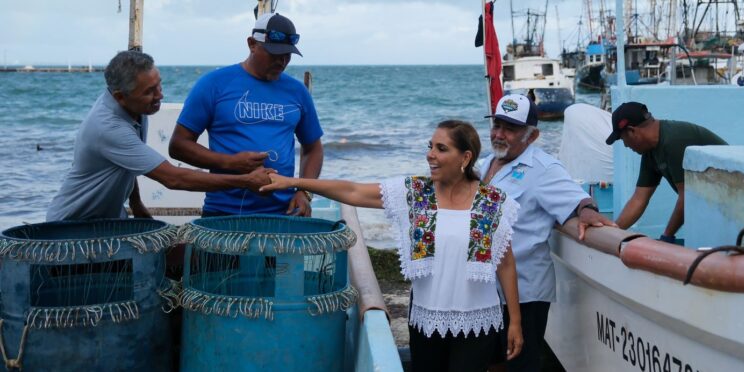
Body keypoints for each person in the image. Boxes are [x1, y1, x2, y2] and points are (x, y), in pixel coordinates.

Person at [260, 120, 523, 372]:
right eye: (430, 146)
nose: (430, 155)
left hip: (477, 321)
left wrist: (515, 322)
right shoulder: (416, 193)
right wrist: (294, 182)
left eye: (441, 149)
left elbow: (506, 263)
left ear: (465, 158)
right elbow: (353, 191)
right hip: (426, 318)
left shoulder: (493, 202)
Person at [46, 51, 272, 222]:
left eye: (158, 84)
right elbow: (174, 178)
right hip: (70, 224)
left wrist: (136, 203)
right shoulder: (109, 127)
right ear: (120, 96)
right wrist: (244, 181)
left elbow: (127, 162)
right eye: (149, 92)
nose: (160, 95)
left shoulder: (136, 109)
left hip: (108, 220)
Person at [481, 94, 615, 371]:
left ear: (531, 136)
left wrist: (588, 209)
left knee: (521, 364)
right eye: (497, 125)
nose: (499, 134)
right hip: (489, 288)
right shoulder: (487, 163)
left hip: (525, 292)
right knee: (494, 362)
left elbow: (578, 198)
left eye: (510, 129)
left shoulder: (543, 169)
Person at [169, 12, 323, 217]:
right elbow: (179, 146)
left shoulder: (297, 92)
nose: (281, 61)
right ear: (251, 44)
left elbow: (313, 148)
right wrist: (229, 162)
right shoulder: (214, 84)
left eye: (287, 55)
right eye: (273, 53)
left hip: (283, 213)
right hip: (224, 212)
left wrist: (304, 191)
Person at [605, 101, 728, 243]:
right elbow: (639, 199)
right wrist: (613, 231)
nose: (626, 145)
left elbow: (687, 196)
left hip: (735, 202)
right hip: (713, 210)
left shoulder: (674, 140)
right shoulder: (650, 150)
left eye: (623, 139)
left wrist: (667, 236)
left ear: (632, 131)